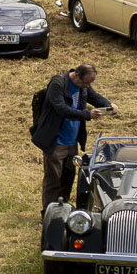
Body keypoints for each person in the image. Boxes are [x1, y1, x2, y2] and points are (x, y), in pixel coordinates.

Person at [34, 64, 114, 207]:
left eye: (89, 83)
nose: (86, 86)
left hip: (72, 141)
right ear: (76, 75)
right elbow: (61, 108)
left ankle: (63, 209)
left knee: (68, 178)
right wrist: (87, 114)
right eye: (85, 82)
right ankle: (48, 214)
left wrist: (109, 105)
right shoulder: (58, 84)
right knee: (53, 180)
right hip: (55, 140)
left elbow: (94, 97)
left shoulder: (83, 86)